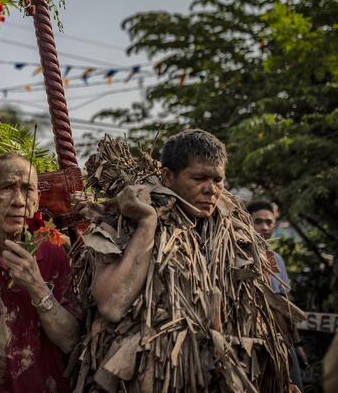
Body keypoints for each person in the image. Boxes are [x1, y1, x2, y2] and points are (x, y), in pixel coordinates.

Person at [72, 130, 291, 392]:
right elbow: (111, 306)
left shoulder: (235, 238)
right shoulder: (119, 226)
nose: (211, 189)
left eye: (218, 180)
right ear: (168, 177)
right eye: (198, 178)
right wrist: (147, 222)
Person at [0, 153, 81, 392]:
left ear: (37, 200)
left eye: (27, 190)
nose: (18, 201)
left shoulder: (56, 255)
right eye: (7, 187)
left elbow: (72, 342)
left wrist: (37, 287)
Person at [248, 199, 308, 390]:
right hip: (252, 340)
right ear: (246, 221)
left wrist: (297, 344)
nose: (264, 227)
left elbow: (285, 303)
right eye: (258, 221)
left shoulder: (276, 259)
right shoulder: (238, 255)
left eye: (269, 222)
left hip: (281, 338)